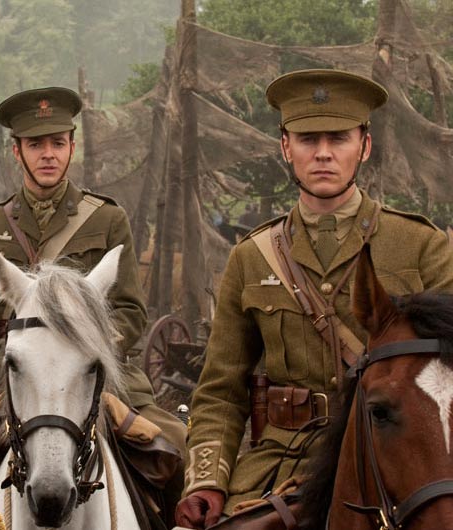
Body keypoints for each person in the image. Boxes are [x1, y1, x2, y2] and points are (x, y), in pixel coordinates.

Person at [175, 69, 453, 528]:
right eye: (307, 139)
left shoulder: (420, 245)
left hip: (398, 461)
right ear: (286, 147)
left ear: (364, 146)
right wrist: (206, 480)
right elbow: (221, 391)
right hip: (279, 469)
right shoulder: (251, 257)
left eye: (338, 138)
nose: (323, 153)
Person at [0, 86, 189, 521]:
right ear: (17, 151)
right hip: (11, 380)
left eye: (58, 143)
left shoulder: (107, 219)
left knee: (172, 449)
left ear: (71, 147)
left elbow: (131, 310)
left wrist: (84, 350)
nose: (48, 154)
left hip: (97, 379)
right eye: (36, 145)